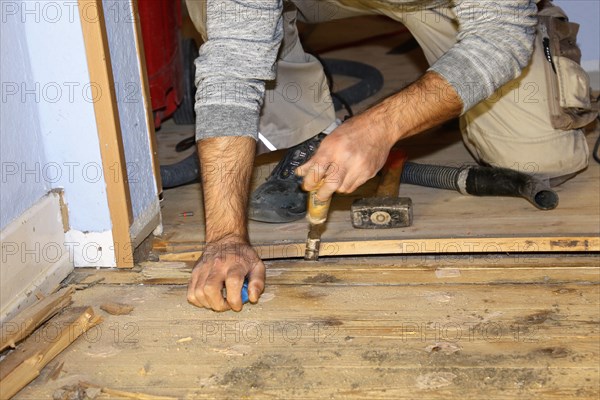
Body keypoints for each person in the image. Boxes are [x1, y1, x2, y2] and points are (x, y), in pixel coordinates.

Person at [184, 0, 595, 312]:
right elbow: (230, 72)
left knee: (541, 161)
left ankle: (511, 52)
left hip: (438, 4)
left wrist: (380, 127)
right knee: (216, 9)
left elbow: (499, 36)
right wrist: (225, 239)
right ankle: (310, 135)